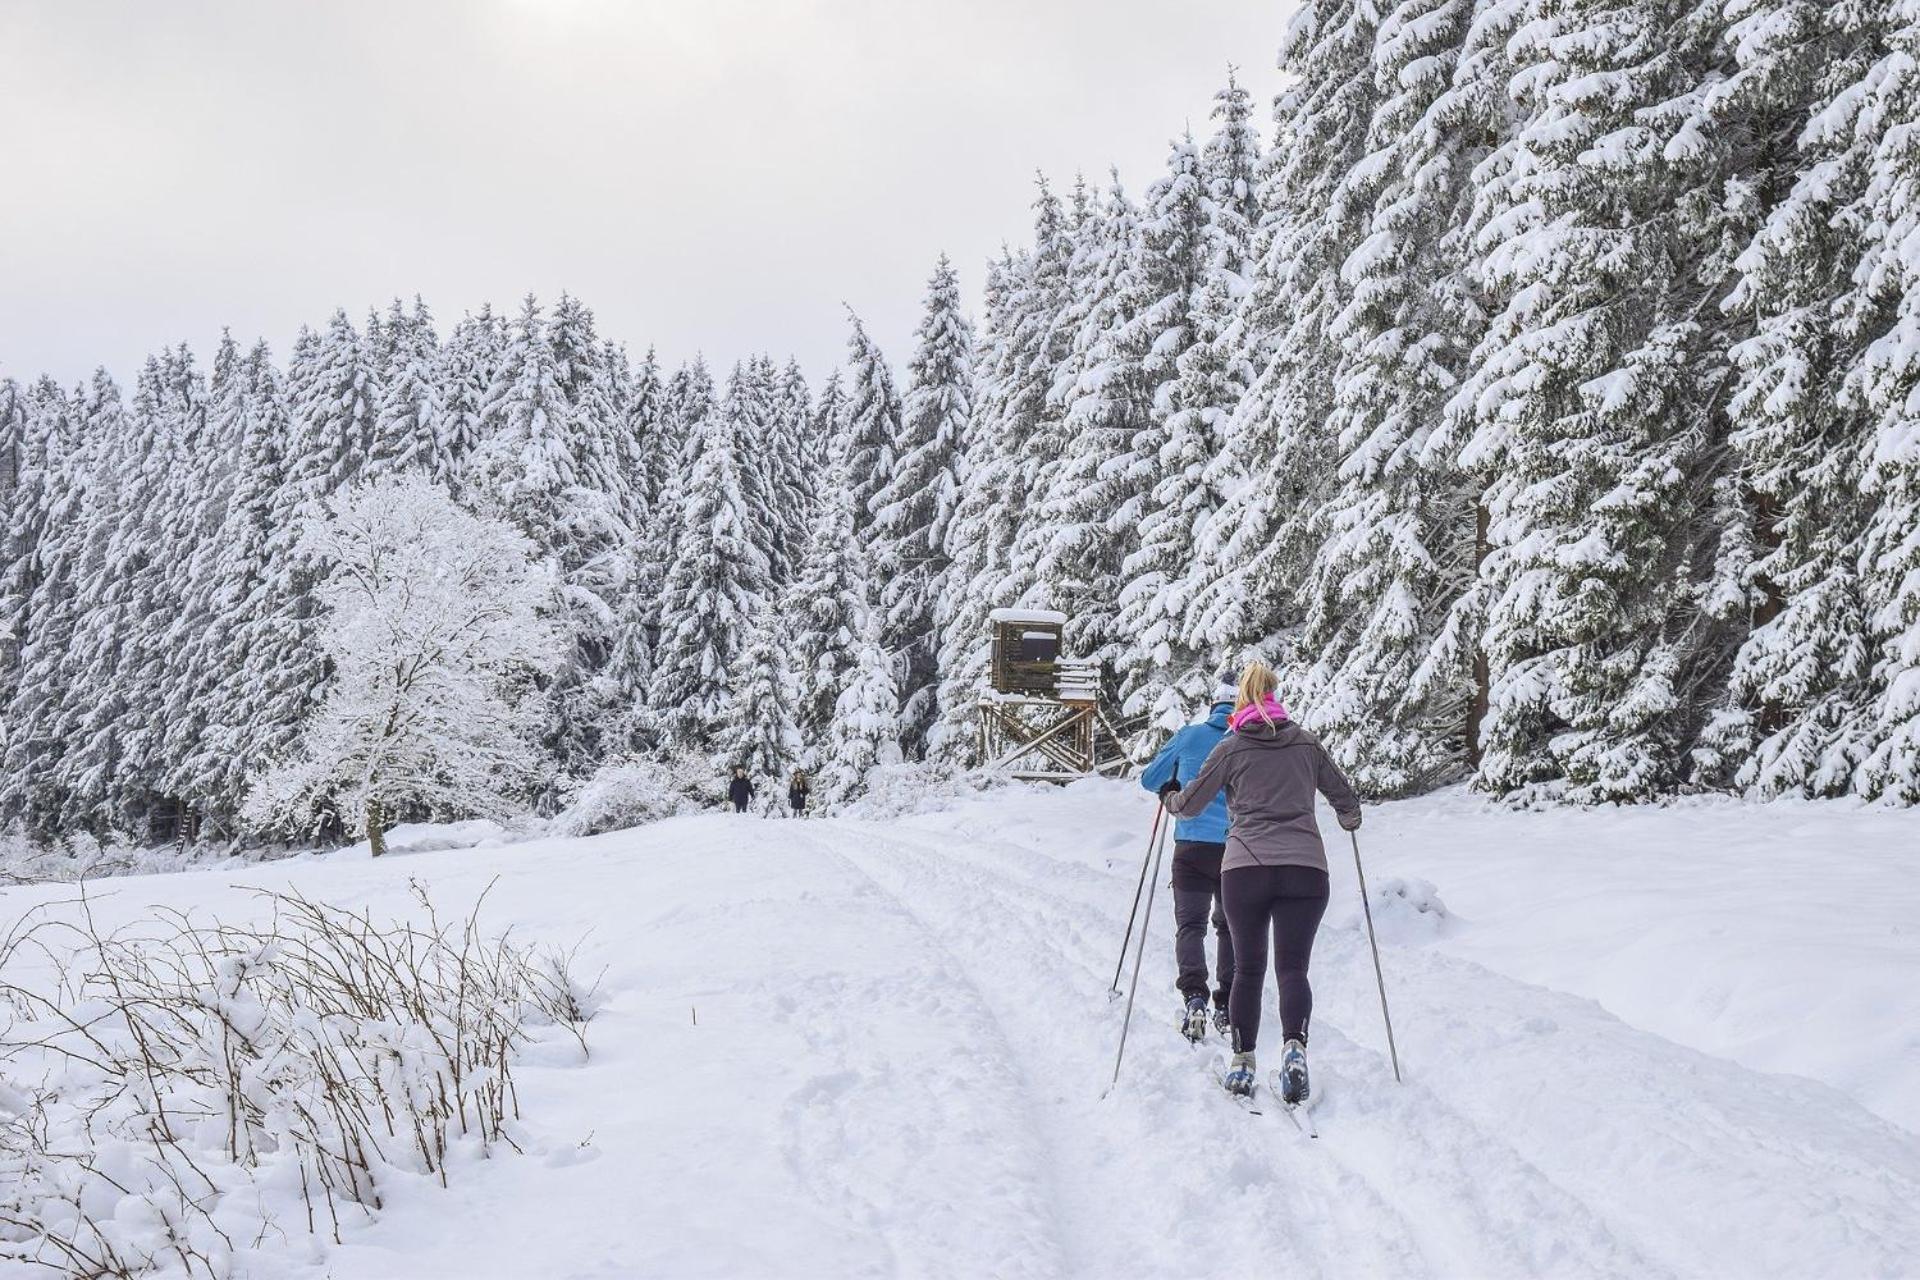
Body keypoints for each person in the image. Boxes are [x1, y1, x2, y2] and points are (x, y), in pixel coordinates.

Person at [1162, 660, 1361, 1105]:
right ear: (1276, 695)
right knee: (1293, 969)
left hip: (1246, 869)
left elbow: (1191, 803)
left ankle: (1243, 1062)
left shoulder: (1231, 748)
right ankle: (1294, 1048)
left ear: (1241, 701)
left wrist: (1171, 800)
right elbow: (1345, 798)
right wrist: (1349, 818)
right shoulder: (1307, 744)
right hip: (1306, 869)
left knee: (1249, 969)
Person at [1139, 676, 1239, 1042]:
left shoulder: (1191, 735)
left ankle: (1194, 996)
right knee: (1229, 927)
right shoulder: (1246, 741)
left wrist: (1171, 787)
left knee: (1191, 926)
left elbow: (1150, 779)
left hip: (1192, 846)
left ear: (1213, 706)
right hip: (1236, 849)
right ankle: (1226, 1004)